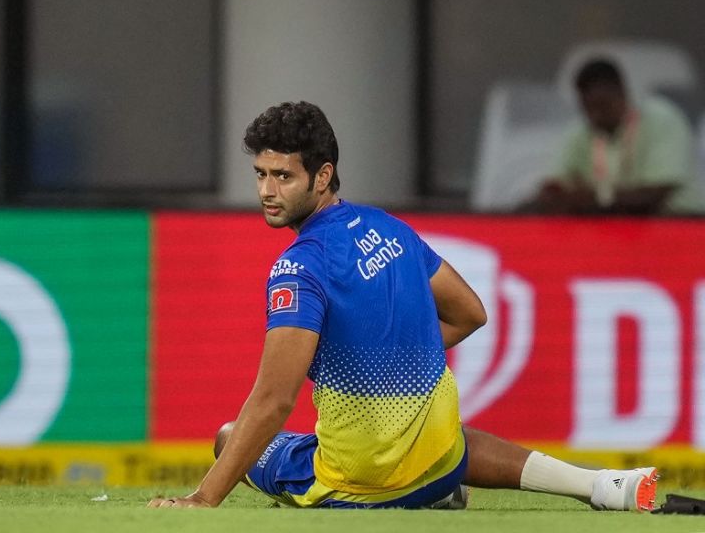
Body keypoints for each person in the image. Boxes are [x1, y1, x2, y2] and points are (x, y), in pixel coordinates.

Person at [149, 101, 658, 511]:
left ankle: (414, 491)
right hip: (435, 461)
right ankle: (598, 485)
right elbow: (471, 313)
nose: (266, 191)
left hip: (361, 481)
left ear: (322, 176)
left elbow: (273, 401)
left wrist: (202, 498)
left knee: (228, 436)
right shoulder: (391, 228)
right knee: (444, 438)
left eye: (283, 176)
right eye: (260, 173)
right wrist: (395, 358)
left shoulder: (298, 267)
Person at [533, 58, 704, 215]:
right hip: (613, 233)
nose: (596, 116)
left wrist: (594, 197)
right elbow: (553, 189)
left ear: (622, 92)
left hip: (680, 226)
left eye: (603, 106)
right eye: (589, 109)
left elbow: (656, 195)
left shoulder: (662, 119)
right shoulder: (581, 132)